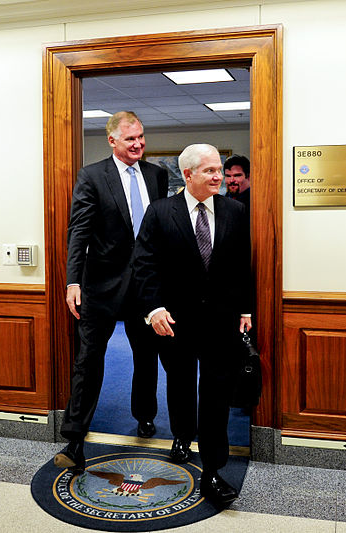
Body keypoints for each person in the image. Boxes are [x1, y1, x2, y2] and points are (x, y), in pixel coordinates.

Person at [132, 143, 253, 508]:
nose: (219, 177)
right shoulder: (160, 212)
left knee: (217, 395)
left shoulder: (235, 211)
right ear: (188, 175)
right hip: (175, 322)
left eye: (220, 170)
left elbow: (243, 264)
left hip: (221, 321)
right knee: (182, 384)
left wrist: (246, 309)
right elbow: (144, 265)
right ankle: (182, 435)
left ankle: (213, 470)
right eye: (210, 171)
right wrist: (153, 309)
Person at [53, 111, 169, 473]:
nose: (138, 144)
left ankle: (145, 415)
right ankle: (74, 439)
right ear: (113, 141)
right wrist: (73, 281)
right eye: (130, 138)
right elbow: (79, 232)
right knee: (88, 361)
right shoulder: (92, 176)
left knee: (146, 356)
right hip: (100, 286)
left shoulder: (157, 175)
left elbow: (159, 232)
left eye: (141, 137)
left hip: (146, 285)